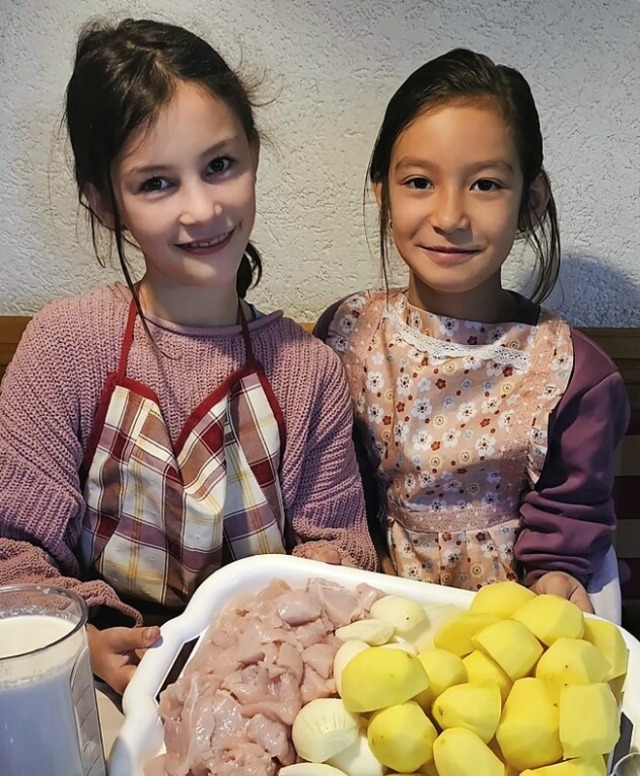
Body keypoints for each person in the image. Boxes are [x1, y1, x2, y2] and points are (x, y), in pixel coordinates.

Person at [0, 18, 376, 693]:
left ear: (253, 155)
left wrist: (260, 644)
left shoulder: (307, 370)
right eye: (156, 184)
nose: (202, 209)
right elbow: (10, 548)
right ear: (103, 201)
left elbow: (339, 554)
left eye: (219, 166)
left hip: (270, 679)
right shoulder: (64, 348)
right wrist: (77, 638)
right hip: (96, 684)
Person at [314, 48, 629, 621]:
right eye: (418, 181)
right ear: (382, 191)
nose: (450, 215)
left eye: (484, 185)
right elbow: (333, 487)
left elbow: (570, 521)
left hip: (509, 621)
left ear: (530, 202)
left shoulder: (571, 373)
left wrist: (555, 587)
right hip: (378, 613)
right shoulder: (348, 334)